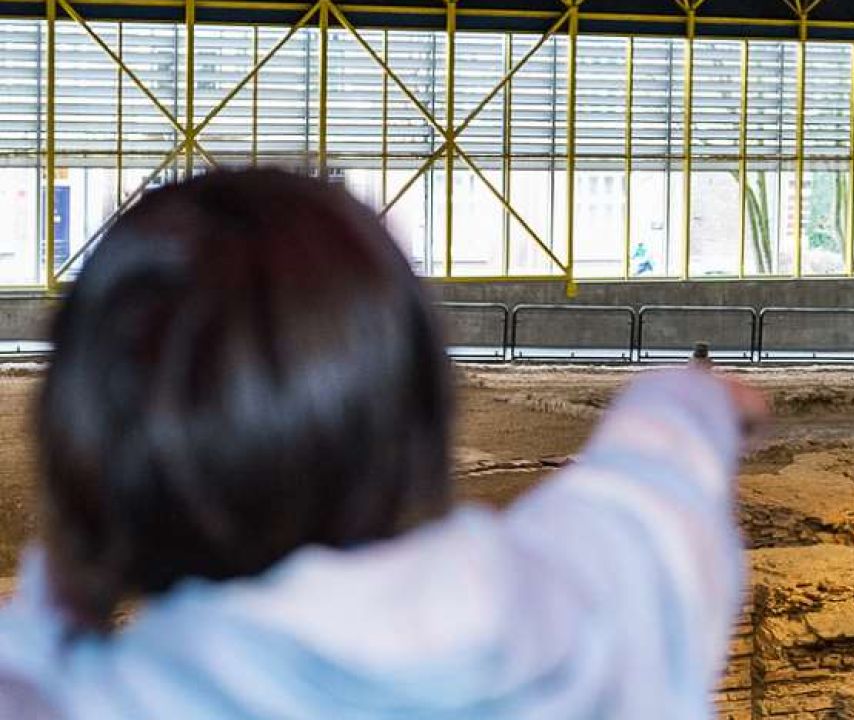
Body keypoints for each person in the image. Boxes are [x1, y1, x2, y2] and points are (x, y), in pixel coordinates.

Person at [0, 168, 764, 719]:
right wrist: (688, 400)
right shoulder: (582, 623)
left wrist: (67, 581)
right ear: (424, 411)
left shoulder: (92, 699)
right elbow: (647, 497)